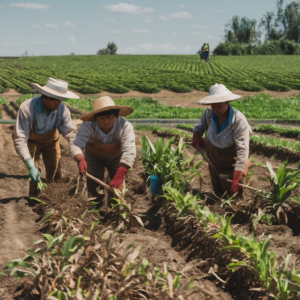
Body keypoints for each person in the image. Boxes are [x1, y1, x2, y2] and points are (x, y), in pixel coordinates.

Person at [13, 77, 80, 196]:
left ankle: (52, 197)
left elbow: (70, 133)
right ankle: (34, 199)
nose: (58, 102)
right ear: (44, 96)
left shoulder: (62, 109)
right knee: (35, 173)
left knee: (55, 171)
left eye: (61, 99)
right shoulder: (27, 108)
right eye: (54, 99)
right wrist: (30, 165)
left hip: (51, 141)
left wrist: (77, 154)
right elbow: (20, 138)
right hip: (32, 141)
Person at [73, 96, 136, 204]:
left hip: (117, 158)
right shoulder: (88, 125)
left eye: (109, 117)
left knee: (117, 187)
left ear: (116, 115)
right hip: (94, 157)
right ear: (95, 118)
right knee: (94, 185)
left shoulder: (125, 126)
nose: (105, 121)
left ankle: (114, 209)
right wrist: (80, 159)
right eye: (101, 118)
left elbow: (129, 151)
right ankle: (95, 208)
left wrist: (120, 176)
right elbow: (76, 144)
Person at [192, 84, 251, 198]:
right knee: (218, 193)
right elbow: (199, 127)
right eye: (213, 106)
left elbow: (242, 150)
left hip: (231, 166)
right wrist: (196, 135)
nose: (215, 109)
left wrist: (236, 178)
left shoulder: (238, 121)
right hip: (214, 163)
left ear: (227, 102)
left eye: (219, 105)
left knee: (233, 197)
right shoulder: (208, 115)